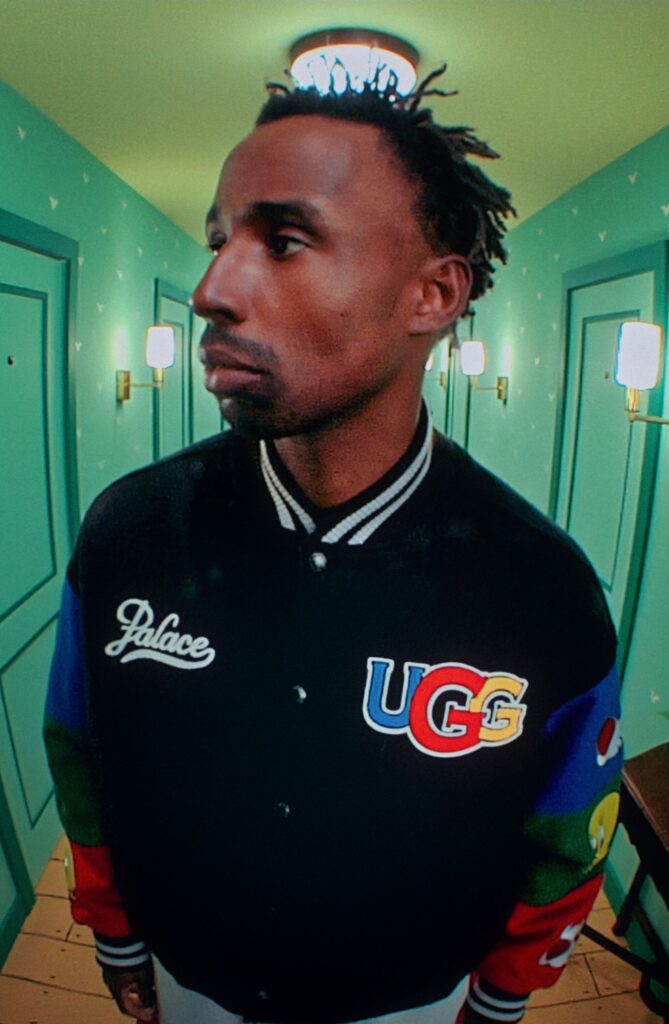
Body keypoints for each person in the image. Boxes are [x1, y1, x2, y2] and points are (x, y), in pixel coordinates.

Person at [44, 68, 622, 1024]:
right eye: (219, 241)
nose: (210, 290)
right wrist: (114, 932)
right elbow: (78, 753)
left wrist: (502, 1000)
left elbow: (569, 831)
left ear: (432, 293)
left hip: (411, 1005)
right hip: (189, 981)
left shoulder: (543, 588)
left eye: (284, 240)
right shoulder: (129, 530)